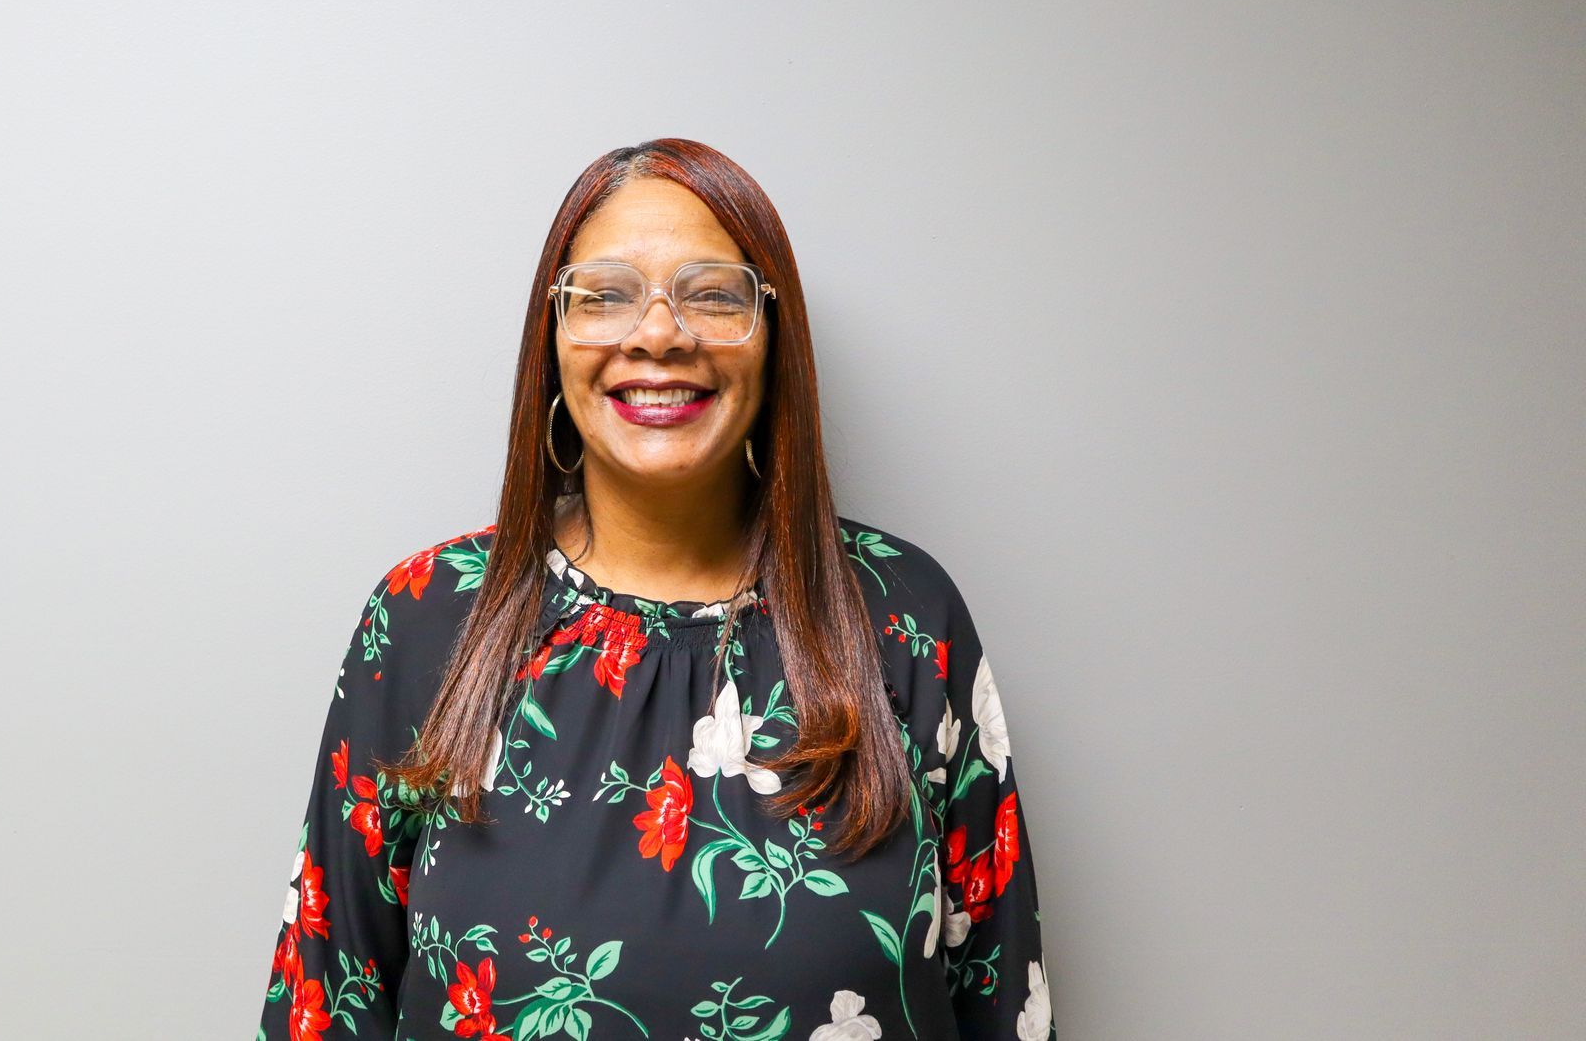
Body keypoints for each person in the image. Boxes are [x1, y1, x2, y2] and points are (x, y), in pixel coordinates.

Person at [256, 139, 1056, 1041]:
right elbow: (325, 1004)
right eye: (604, 295)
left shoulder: (906, 619)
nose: (659, 333)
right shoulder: (425, 617)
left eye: (713, 294)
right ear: (551, 336)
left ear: (772, 333)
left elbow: (1003, 1006)